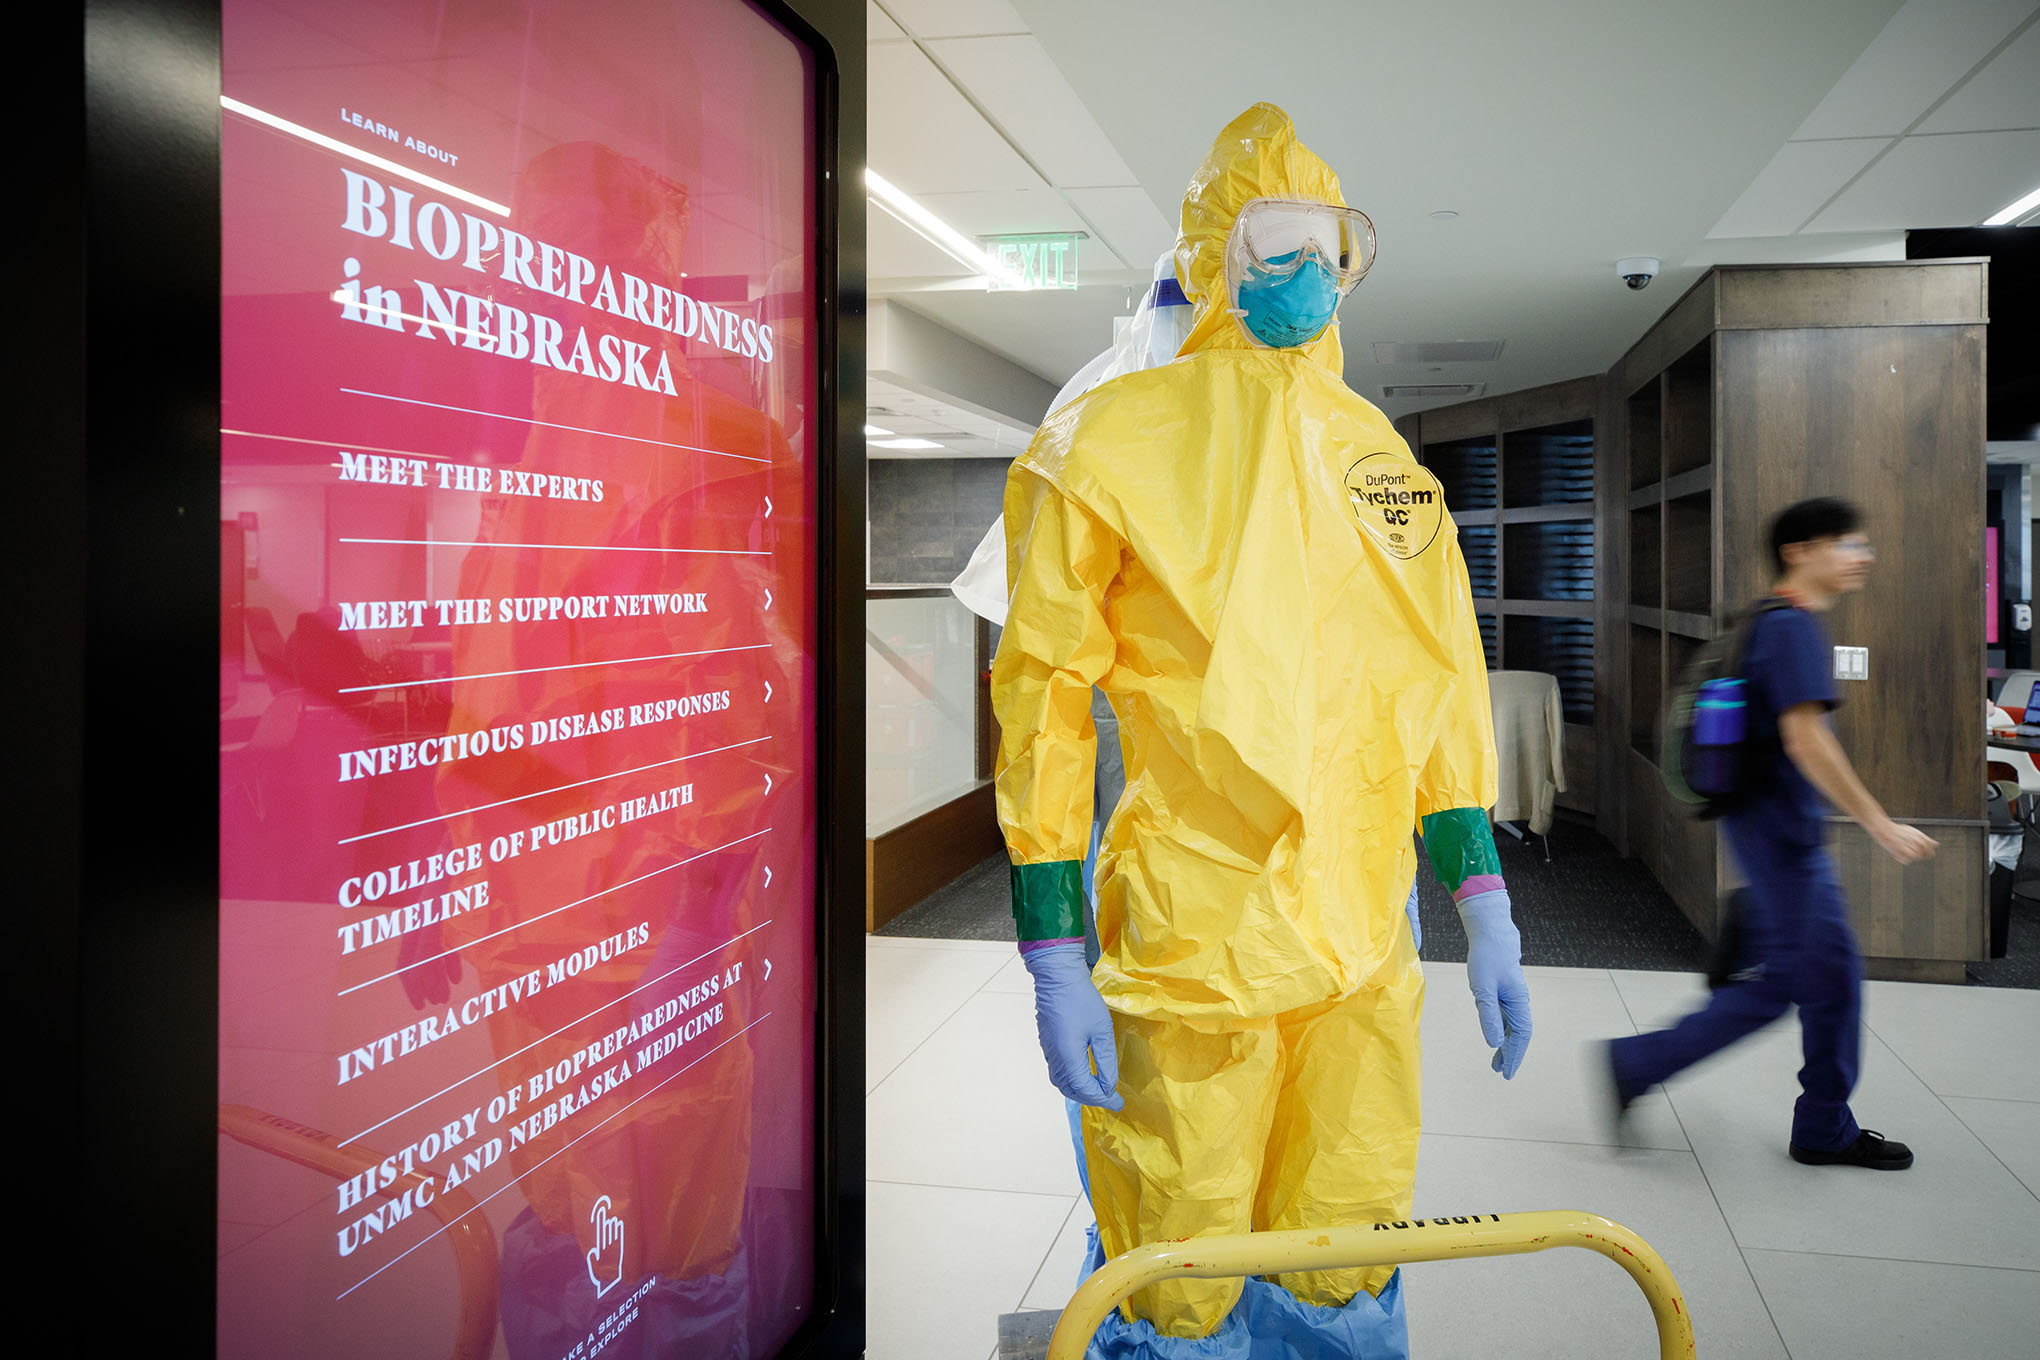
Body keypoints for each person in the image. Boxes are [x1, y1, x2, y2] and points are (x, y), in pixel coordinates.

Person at [993, 103, 1531, 1359]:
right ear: (1210, 251)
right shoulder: (1109, 443)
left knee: (1344, 1229)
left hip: (1362, 940)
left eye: (1333, 245)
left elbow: (1441, 683)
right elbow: (1043, 696)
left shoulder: (1385, 463)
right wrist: (1052, 940)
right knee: (1184, 1249)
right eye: (1276, 240)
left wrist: (1484, 895)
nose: (1311, 272)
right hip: (1198, 934)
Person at [1606, 496, 1936, 1170]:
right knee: (1784, 986)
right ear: (1800, 551)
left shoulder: (1774, 622)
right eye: (1846, 543)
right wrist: (1879, 823)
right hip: (1782, 838)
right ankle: (1638, 1063)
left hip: (1774, 831)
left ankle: (1821, 1125)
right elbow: (1805, 739)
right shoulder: (1788, 630)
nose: (1860, 557)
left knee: (1831, 981)